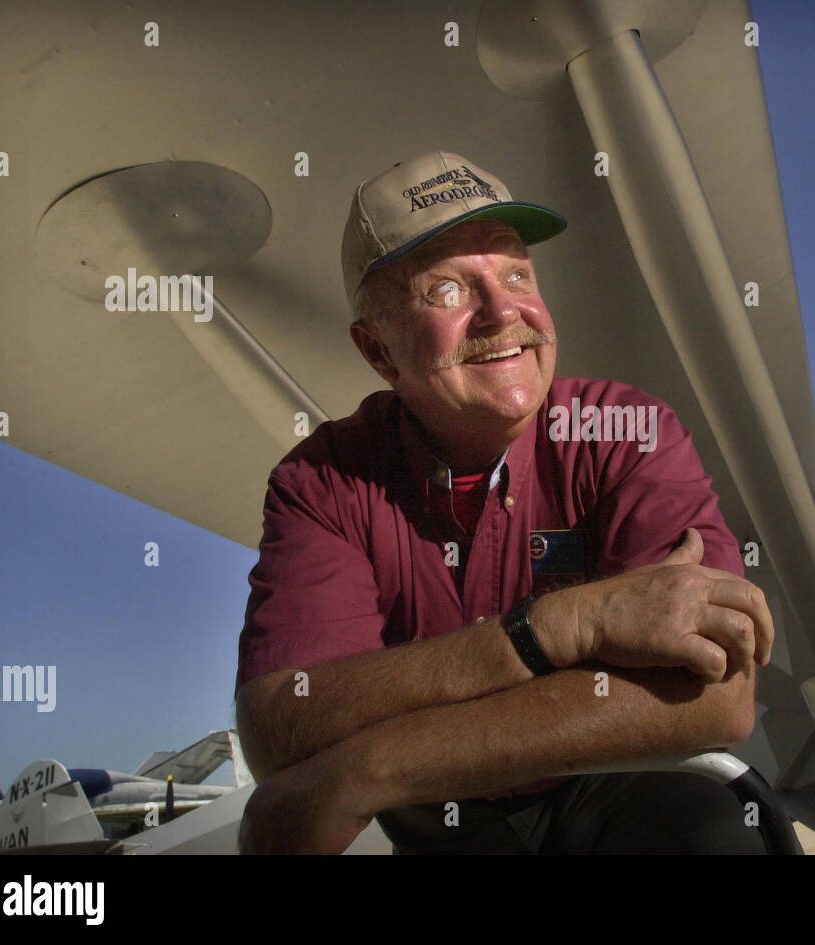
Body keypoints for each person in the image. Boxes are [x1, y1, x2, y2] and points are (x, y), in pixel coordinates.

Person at [235, 152, 775, 854]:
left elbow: (716, 691)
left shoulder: (625, 431)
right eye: (447, 289)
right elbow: (283, 724)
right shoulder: (322, 482)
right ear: (378, 351)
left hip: (609, 781)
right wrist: (557, 628)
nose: (503, 311)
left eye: (517, 273)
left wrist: (370, 766)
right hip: (442, 816)